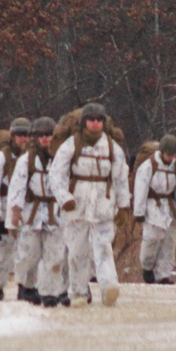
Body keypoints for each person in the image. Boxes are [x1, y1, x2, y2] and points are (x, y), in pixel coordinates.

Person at [50, 103, 131, 307]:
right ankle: (77, 292)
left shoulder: (113, 148)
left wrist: (123, 206)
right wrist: (64, 198)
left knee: (104, 247)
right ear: (84, 122)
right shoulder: (71, 145)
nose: (95, 123)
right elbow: (56, 175)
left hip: (103, 206)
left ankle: (109, 286)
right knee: (77, 251)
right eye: (91, 119)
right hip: (76, 206)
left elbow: (121, 178)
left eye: (99, 120)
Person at [7, 116, 67, 307]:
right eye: (40, 135)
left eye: (49, 135)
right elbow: (16, 187)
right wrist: (14, 215)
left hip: (55, 213)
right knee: (28, 255)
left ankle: (50, 292)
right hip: (31, 213)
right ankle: (25, 286)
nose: (45, 139)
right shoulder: (26, 160)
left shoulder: (62, 158)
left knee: (55, 255)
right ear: (35, 137)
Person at [0, 118, 31, 301]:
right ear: (12, 136)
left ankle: (24, 286)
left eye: (26, 135)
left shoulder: (32, 157)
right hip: (4, 208)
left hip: (25, 208)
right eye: (19, 135)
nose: (23, 139)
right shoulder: (1, 158)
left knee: (25, 251)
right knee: (0, 252)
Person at [133, 134, 176, 284]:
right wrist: (139, 211)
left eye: (174, 155)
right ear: (162, 151)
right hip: (152, 205)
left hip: (169, 207)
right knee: (151, 239)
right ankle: (147, 267)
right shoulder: (149, 165)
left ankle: (163, 275)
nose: (171, 158)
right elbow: (141, 187)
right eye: (169, 154)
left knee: (169, 242)